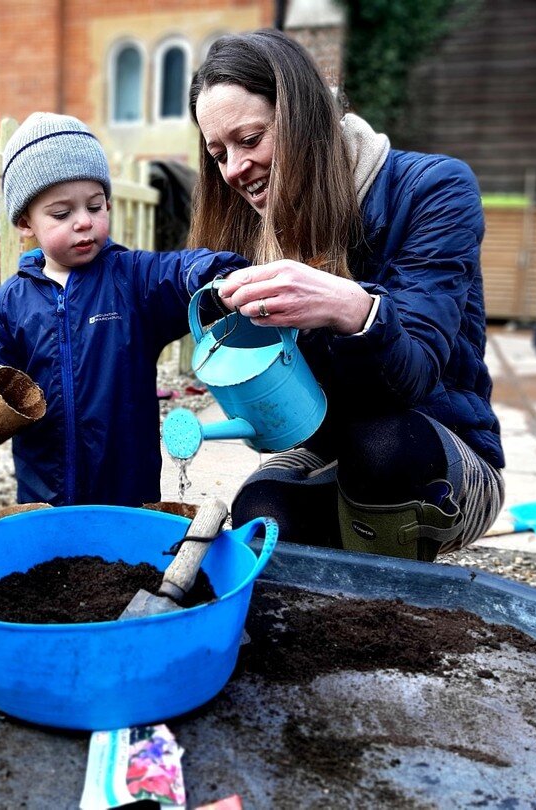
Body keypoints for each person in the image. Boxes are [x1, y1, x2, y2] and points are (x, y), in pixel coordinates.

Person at [187, 30, 505, 561]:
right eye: (218, 153)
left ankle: (393, 606)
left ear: (304, 117)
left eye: (250, 139)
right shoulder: (254, 228)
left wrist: (351, 308)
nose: (233, 170)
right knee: (261, 515)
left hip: (436, 447)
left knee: (380, 447)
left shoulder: (432, 190)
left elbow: (417, 371)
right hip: (327, 446)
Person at [0, 112, 248, 507]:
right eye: (62, 214)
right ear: (26, 221)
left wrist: (216, 276)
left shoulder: (133, 280)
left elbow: (180, 272)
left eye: (95, 207)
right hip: (46, 492)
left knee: (126, 563)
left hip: (127, 489)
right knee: (52, 565)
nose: (83, 222)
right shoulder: (12, 301)